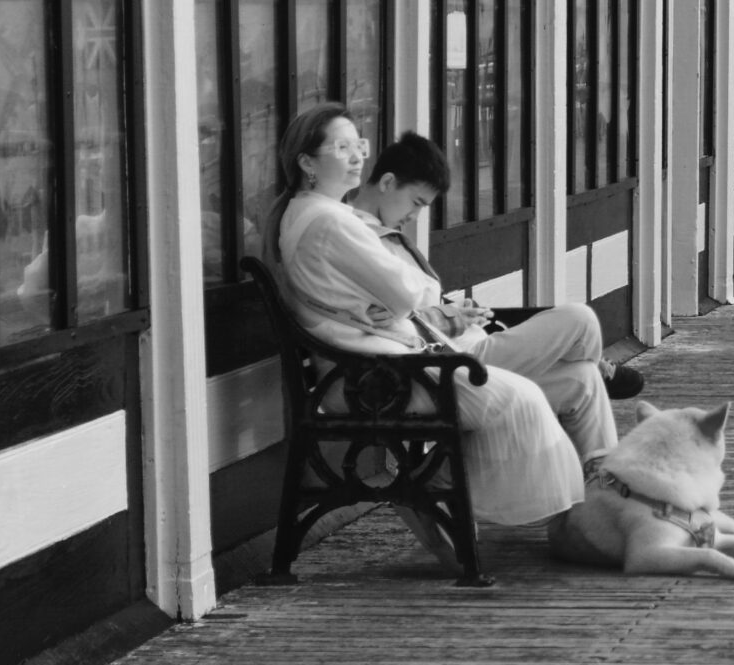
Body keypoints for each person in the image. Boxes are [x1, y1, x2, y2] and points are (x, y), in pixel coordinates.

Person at [260, 103, 580, 548]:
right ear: (308, 162)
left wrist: (387, 306)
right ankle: (429, 487)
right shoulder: (332, 222)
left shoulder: (308, 213)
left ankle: (429, 487)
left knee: (520, 396)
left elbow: (397, 298)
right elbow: (408, 294)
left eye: (359, 145)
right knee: (519, 398)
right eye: (342, 147)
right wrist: (392, 305)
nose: (356, 156)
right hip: (376, 378)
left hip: (367, 368)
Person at [353, 131, 637, 463]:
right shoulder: (359, 242)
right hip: (455, 363)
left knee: (582, 380)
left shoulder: (385, 235)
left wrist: (456, 309)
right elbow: (396, 320)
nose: (415, 217)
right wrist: (450, 317)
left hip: (466, 350)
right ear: (387, 183)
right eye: (416, 203)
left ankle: (600, 491)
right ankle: (592, 363)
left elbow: (409, 307)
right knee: (581, 320)